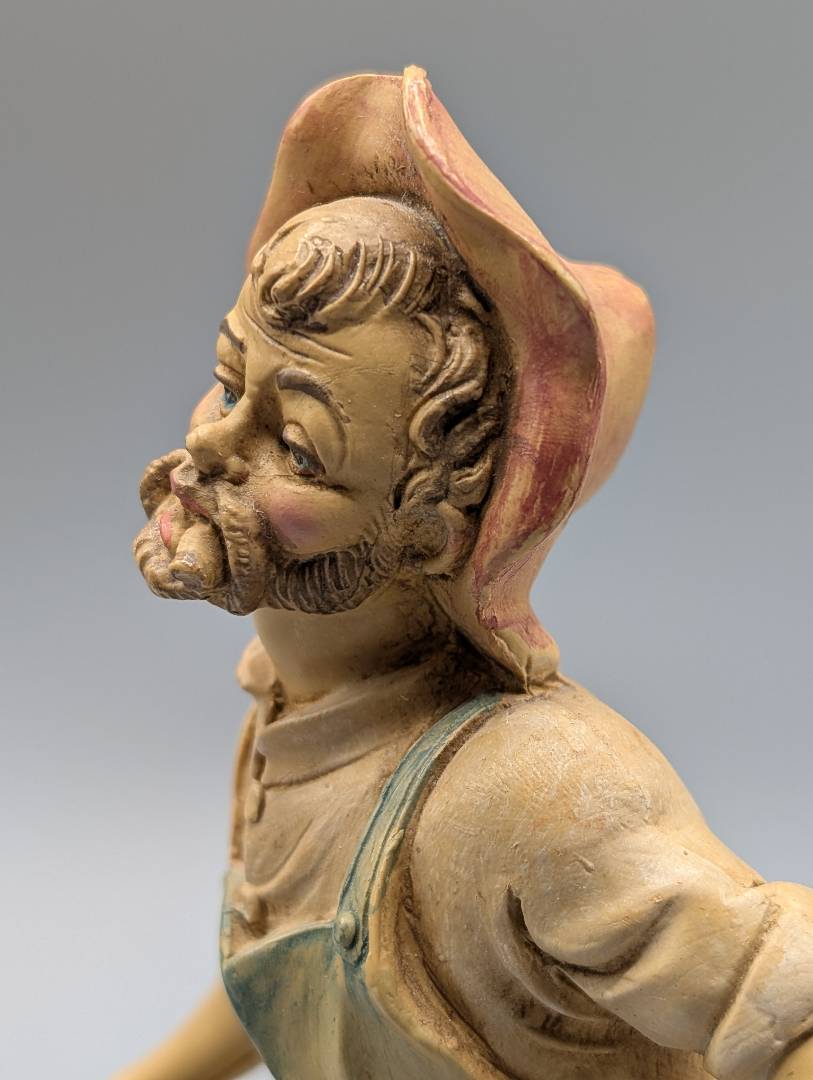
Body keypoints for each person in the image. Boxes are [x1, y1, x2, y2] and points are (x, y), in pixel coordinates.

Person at [118, 67, 813, 1080]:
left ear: (431, 535)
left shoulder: (531, 794)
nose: (212, 444)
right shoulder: (285, 723)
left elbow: (785, 999)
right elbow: (280, 971)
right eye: (228, 382)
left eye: (298, 449)